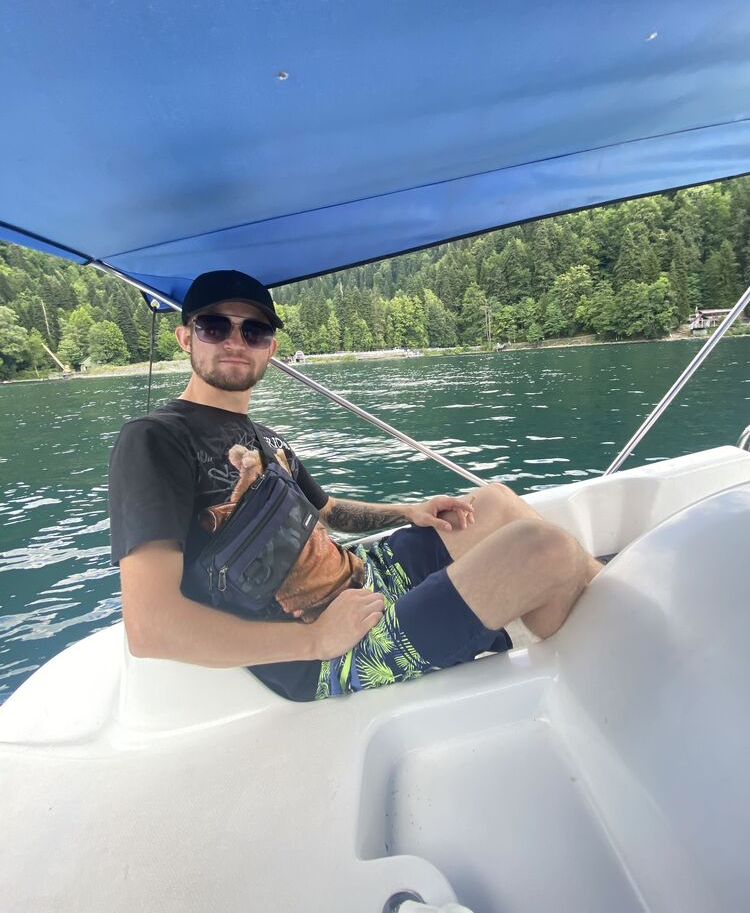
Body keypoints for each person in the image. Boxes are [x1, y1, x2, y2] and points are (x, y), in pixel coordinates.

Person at [109, 270, 601, 701]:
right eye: (215, 327)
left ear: (270, 349)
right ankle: (608, 654)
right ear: (185, 338)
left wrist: (409, 511)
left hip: (362, 580)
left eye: (254, 330)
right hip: (320, 651)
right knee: (543, 550)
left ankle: (615, 602)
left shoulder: (265, 437)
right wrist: (315, 640)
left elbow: (325, 511)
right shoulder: (155, 440)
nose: (236, 341)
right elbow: (151, 628)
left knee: (494, 501)